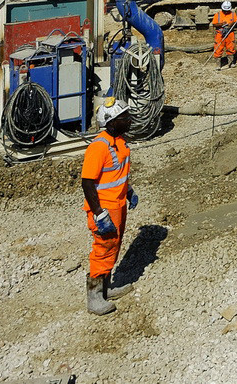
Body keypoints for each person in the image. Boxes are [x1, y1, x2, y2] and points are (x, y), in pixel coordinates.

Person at [81, 97, 138, 315]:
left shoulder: (120, 143)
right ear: (111, 122)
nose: (129, 120)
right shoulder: (99, 148)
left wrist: (129, 191)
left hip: (118, 205)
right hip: (104, 209)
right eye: (125, 117)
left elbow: (117, 174)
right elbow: (87, 182)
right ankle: (94, 298)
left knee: (114, 246)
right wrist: (98, 213)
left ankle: (106, 288)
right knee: (103, 249)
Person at [211, 0, 237, 68]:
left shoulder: (233, 14)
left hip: (230, 33)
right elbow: (214, 24)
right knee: (218, 48)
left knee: (231, 47)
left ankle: (231, 62)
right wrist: (221, 24)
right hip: (220, 33)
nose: (226, 12)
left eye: (227, 10)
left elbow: (236, 22)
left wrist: (231, 24)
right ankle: (218, 65)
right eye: (224, 10)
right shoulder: (218, 14)